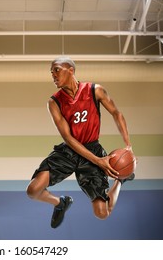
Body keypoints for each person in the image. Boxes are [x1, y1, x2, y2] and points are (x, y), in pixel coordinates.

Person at [26, 56, 134, 229]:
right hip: (69, 150)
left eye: (57, 70)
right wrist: (98, 161)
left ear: (71, 70)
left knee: (102, 213)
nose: (53, 75)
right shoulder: (54, 102)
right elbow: (68, 138)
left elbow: (116, 113)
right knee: (32, 190)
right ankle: (60, 203)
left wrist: (128, 146)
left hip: (92, 147)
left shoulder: (95, 90)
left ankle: (120, 181)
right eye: (51, 72)